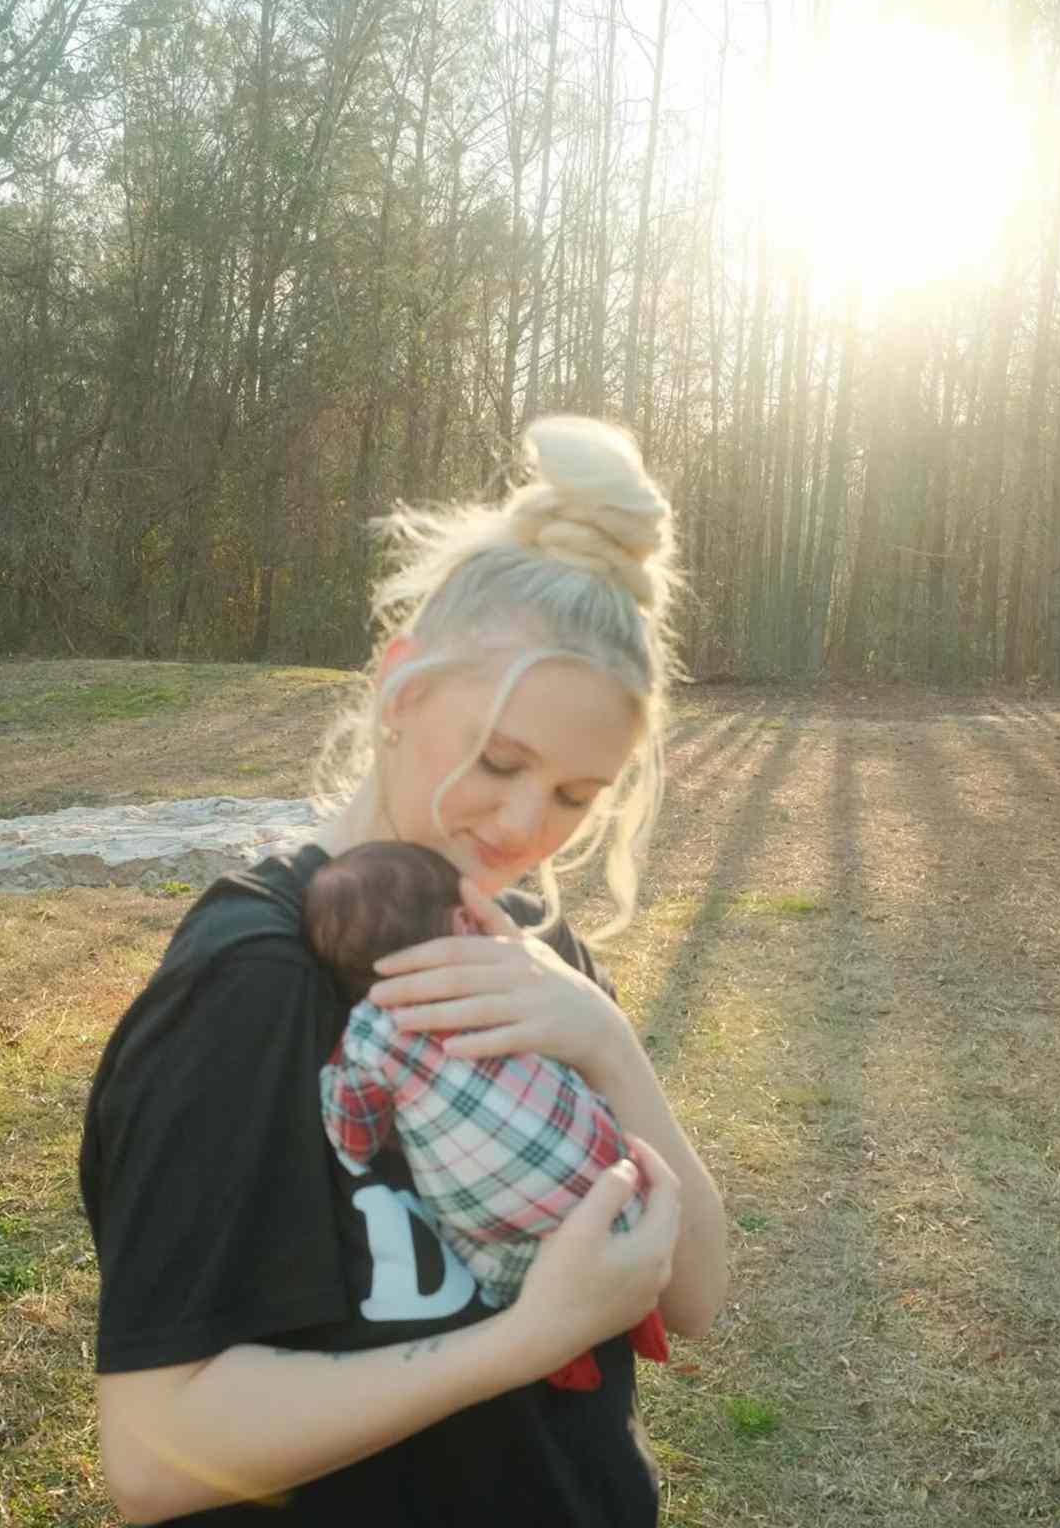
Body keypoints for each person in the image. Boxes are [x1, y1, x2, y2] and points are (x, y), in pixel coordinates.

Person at [80, 414, 728, 1526]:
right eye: (500, 760)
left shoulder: (535, 952)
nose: (526, 827)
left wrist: (606, 1040)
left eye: (576, 795)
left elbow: (697, 1296)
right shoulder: (255, 983)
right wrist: (529, 1337)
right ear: (401, 690)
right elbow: (151, 1453)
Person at [305, 839, 669, 1391]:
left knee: (497, 1263)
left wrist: (358, 1131)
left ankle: (566, 1359)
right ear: (462, 919)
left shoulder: (368, 1033)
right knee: (616, 1204)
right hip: (603, 1179)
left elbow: (355, 1132)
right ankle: (642, 1320)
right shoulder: (506, 976)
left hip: (494, 1226)